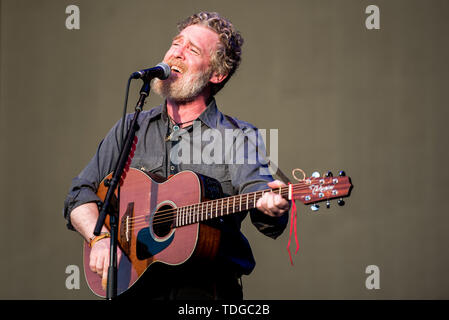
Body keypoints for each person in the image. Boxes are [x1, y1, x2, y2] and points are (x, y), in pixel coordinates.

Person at [63, 11, 290, 300]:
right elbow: (79, 194)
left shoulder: (239, 136)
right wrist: (99, 238)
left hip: (206, 292)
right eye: (176, 44)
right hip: (132, 286)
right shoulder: (131, 128)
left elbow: (258, 191)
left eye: (192, 50)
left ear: (216, 74)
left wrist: (271, 204)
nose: (176, 54)